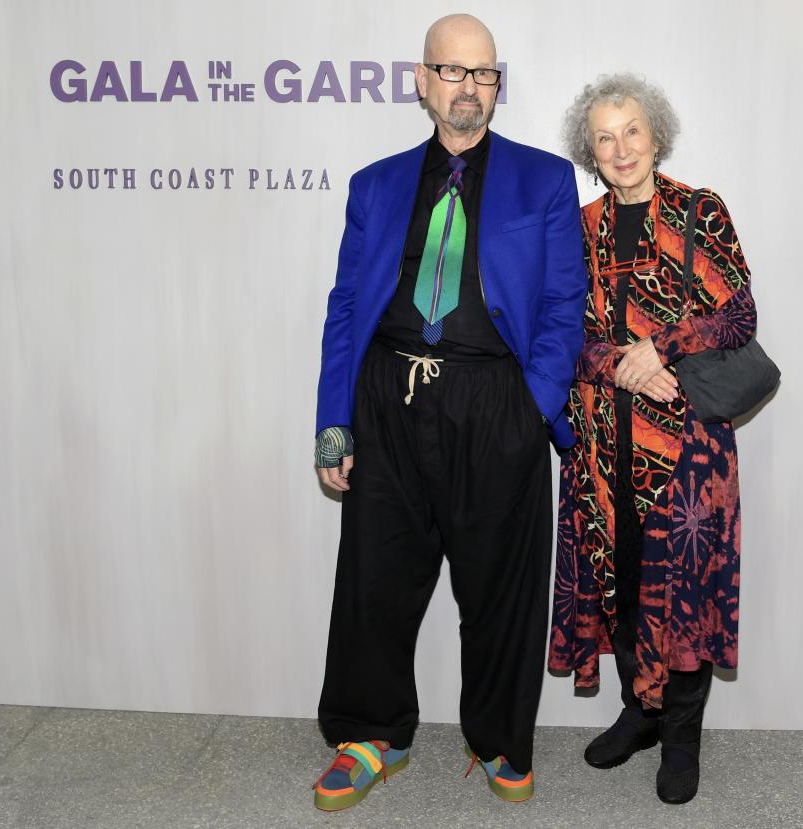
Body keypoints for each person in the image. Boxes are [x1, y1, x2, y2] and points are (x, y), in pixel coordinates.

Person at [311, 13, 586, 812]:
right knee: (376, 575)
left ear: (499, 86)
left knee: (500, 583)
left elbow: (567, 304)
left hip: (494, 397)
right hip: (389, 399)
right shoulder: (375, 184)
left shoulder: (545, 180)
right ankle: (370, 734)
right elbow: (344, 309)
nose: (470, 89)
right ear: (423, 81)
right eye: (454, 72)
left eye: (485, 74)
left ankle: (499, 736)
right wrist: (335, 418)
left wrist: (530, 409)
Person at [547, 73, 757, 805]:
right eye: (604, 137)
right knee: (623, 583)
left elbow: (738, 317)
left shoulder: (700, 211)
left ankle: (681, 735)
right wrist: (622, 366)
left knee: (686, 595)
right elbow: (562, 339)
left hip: (689, 453)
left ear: (656, 135)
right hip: (604, 453)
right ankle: (641, 711)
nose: (621, 147)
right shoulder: (578, 228)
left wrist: (660, 347)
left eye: (631, 130)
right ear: (591, 152)